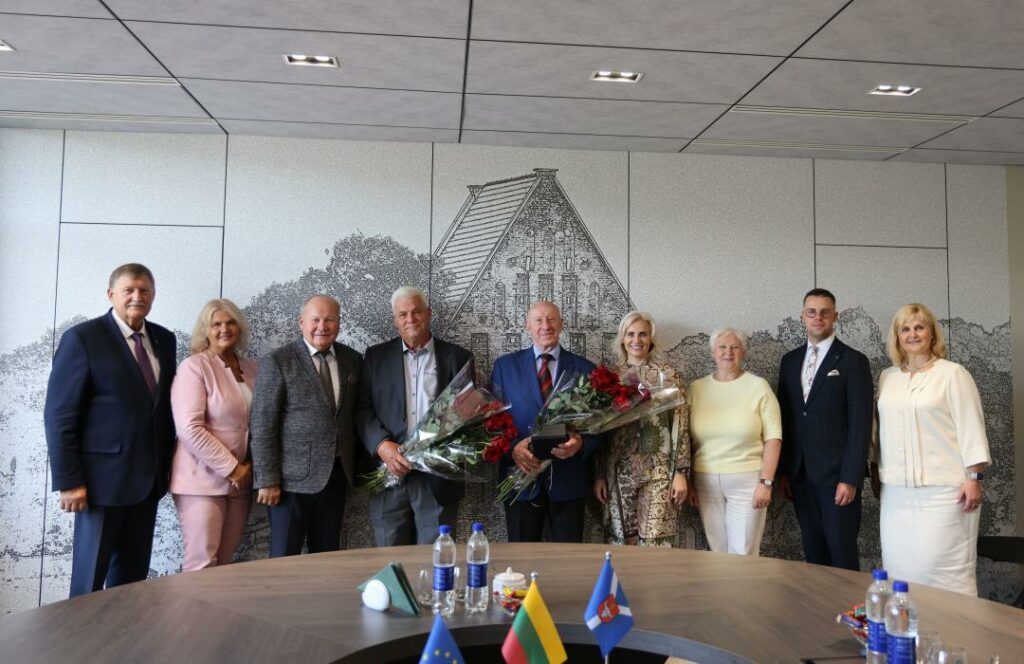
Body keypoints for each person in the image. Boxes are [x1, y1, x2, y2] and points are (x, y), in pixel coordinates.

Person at [44, 263, 177, 596]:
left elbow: (161, 409)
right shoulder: (83, 339)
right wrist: (69, 481)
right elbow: (60, 415)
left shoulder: (165, 339)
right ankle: (80, 633)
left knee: (131, 584)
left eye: (144, 290)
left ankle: (123, 632)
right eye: (128, 290)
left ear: (153, 295)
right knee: (88, 584)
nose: (137, 296)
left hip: (148, 483)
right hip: (98, 486)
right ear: (111, 294)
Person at [873, 303, 990, 596]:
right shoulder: (888, 377)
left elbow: (971, 426)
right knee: (899, 570)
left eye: (919, 327)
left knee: (943, 571)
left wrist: (974, 478)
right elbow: (879, 431)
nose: (912, 334)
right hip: (896, 493)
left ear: (932, 333)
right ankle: (907, 624)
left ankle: (958, 625)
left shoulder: (953, 374)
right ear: (897, 337)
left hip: (944, 492)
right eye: (905, 329)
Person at [356, 286, 474, 546]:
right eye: (403, 314)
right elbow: (362, 408)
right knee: (390, 556)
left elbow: (466, 415)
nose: (410, 319)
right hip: (388, 473)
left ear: (428, 314)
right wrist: (381, 445)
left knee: (435, 558)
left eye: (416, 312)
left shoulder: (458, 357)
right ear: (395, 320)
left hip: (437, 478)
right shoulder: (376, 357)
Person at [250, 295, 362, 557]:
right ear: (301, 322)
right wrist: (267, 480)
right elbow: (263, 424)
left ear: (339, 323)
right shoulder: (278, 361)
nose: (322, 326)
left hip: (336, 477)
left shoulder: (352, 360)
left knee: (327, 557)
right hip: (289, 483)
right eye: (315, 320)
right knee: (283, 558)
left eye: (329, 319)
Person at [776, 288, 872, 570]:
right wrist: (784, 472)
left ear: (835, 317)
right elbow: (787, 418)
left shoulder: (854, 361)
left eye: (824, 312)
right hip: (799, 477)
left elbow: (861, 424)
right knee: (814, 554)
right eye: (812, 312)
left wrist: (850, 478)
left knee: (841, 553)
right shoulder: (790, 361)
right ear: (802, 317)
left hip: (837, 478)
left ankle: (850, 602)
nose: (818, 317)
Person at [491, 301, 599, 543]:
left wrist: (581, 443)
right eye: (538, 320)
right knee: (521, 560)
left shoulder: (585, 369)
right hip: (520, 479)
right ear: (528, 326)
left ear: (561, 324)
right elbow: (492, 422)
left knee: (569, 559)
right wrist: (512, 449)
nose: (545, 325)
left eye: (551, 319)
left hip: (568, 481)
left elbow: (599, 425)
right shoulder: (505, 367)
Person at [169, 299, 257, 571]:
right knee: (202, 565)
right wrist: (231, 468)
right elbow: (189, 427)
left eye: (230, 323)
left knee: (224, 565)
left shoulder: (253, 369)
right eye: (216, 324)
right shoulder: (193, 367)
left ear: (239, 328)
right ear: (205, 330)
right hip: (202, 481)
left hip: (242, 480)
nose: (224, 329)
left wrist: (249, 467)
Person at [593, 311, 690, 546]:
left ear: (651, 338)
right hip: (619, 470)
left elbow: (681, 425)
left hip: (659, 469)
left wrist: (680, 472)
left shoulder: (669, 376)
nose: (637, 340)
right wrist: (599, 475)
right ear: (622, 338)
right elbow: (599, 432)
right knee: (621, 541)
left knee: (655, 542)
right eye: (631, 334)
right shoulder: (609, 378)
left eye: (643, 334)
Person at [688, 327, 782, 556]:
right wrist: (688, 480)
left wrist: (766, 483)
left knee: (743, 553)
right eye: (722, 347)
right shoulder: (696, 389)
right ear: (712, 352)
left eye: (734, 347)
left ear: (743, 352)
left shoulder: (758, 386)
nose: (728, 352)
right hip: (705, 481)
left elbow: (774, 438)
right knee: (717, 552)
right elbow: (684, 438)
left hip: (748, 481)